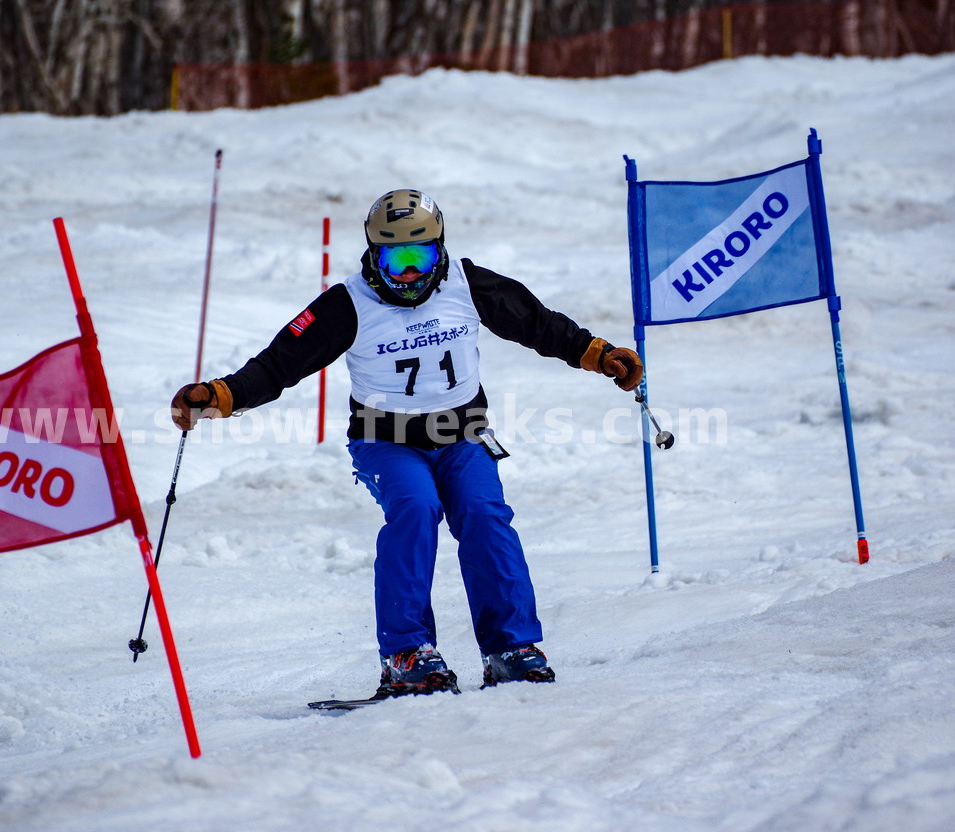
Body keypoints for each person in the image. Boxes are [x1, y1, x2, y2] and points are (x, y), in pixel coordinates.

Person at [171, 189, 642, 697]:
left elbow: (538, 324)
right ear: (375, 254)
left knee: (484, 515)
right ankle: (406, 653)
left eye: (423, 256)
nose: (411, 272)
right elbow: (278, 364)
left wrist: (597, 354)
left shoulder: (466, 282)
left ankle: (510, 649)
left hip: (462, 434)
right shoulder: (346, 304)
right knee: (416, 508)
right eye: (397, 258)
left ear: (441, 250)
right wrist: (220, 395)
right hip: (386, 439)